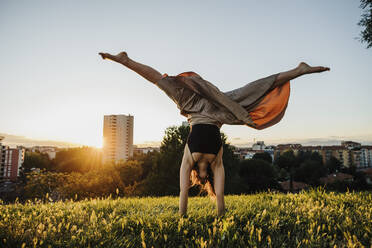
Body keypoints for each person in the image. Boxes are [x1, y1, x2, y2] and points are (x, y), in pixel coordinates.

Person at [99, 51, 330, 217]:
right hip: (220, 112)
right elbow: (219, 196)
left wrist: (183, 218)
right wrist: (220, 217)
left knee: (161, 81)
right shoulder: (216, 161)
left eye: (195, 180)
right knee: (254, 91)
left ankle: (125, 60)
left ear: (195, 177)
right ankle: (299, 70)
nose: (197, 179)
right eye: (201, 179)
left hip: (192, 107)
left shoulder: (189, 160)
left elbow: (183, 192)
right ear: (204, 177)